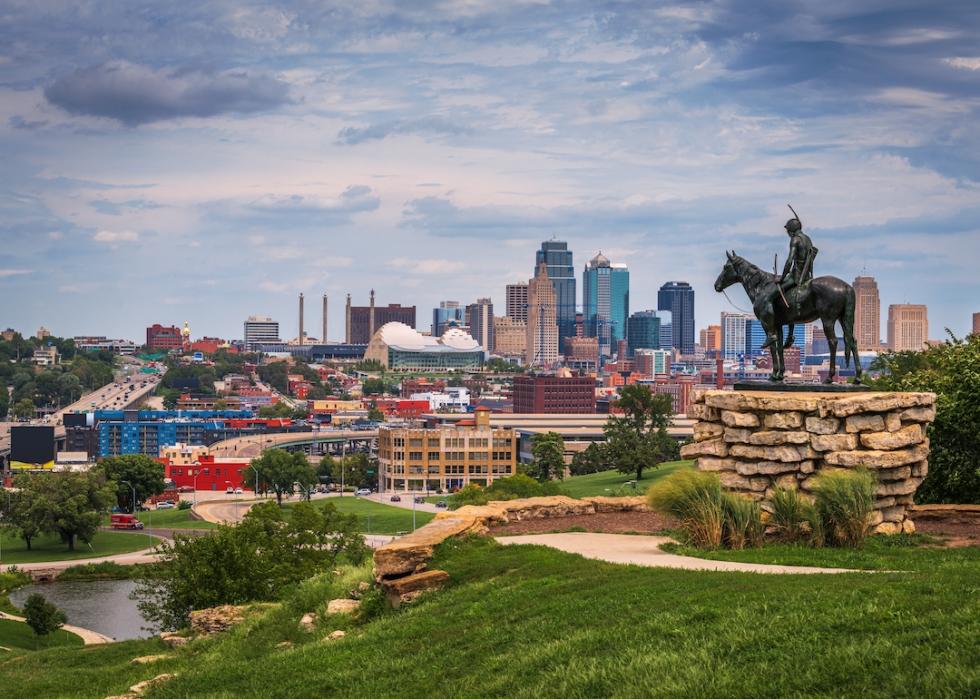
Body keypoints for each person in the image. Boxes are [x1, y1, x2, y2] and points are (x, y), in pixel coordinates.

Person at [761, 217, 817, 349]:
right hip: (807, 276)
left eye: (787, 229)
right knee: (787, 302)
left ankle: (771, 334)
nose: (787, 232)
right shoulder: (807, 239)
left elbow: (790, 260)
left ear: (791, 229)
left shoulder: (795, 239)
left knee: (767, 298)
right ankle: (790, 335)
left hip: (796, 277)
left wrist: (781, 278)